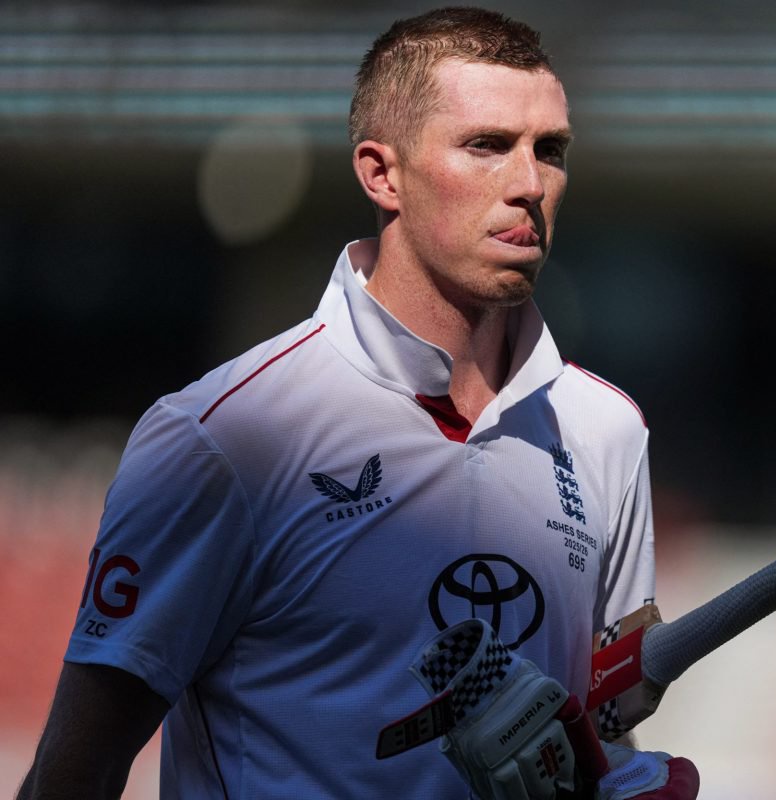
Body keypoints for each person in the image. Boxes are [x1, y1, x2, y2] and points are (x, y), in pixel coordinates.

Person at [18, 8, 670, 798]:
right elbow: (74, 770)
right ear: (381, 174)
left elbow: (595, 737)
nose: (530, 184)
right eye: (487, 146)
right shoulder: (224, 435)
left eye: (551, 151)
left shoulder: (607, 430)